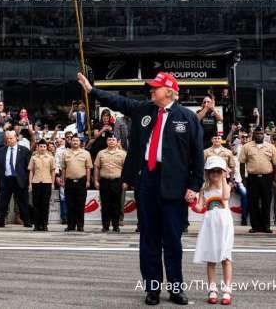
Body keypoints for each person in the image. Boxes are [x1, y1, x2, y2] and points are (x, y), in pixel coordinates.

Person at [78, 71, 204, 306]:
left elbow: (197, 155)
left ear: (169, 91)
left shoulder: (187, 117)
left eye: (155, 87)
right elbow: (119, 102)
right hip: (147, 179)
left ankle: (176, 288)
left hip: (174, 184)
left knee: (173, 240)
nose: (151, 90)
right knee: (148, 238)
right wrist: (92, 90)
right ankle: (152, 289)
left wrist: (195, 185)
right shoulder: (144, 110)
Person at [193, 156, 234, 306]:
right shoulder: (204, 190)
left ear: (223, 172)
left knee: (225, 256)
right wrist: (190, 199)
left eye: (218, 171)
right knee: (211, 258)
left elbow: (225, 196)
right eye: (212, 171)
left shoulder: (226, 186)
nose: (215, 174)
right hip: (210, 224)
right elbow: (199, 207)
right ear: (208, 173)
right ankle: (212, 289)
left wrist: (225, 176)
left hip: (224, 224)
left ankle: (227, 290)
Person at [238, 126, 276, 233]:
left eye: (261, 133)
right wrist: (243, 178)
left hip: (267, 178)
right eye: (257, 133)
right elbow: (242, 163)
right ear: (253, 134)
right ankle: (255, 226)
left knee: (267, 202)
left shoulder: (270, 147)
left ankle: (266, 226)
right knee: (253, 203)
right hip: (252, 178)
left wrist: (275, 180)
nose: (259, 135)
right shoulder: (247, 147)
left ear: (264, 135)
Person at [0, 131, 31, 228]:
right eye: (7, 138)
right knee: (3, 202)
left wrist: (29, 181)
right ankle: (0, 221)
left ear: (16, 138)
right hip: (6, 179)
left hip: (19, 180)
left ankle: (27, 221)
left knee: (23, 202)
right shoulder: (1, 150)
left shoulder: (24, 150)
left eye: (11, 138)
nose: (9, 140)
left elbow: (28, 167)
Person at [94, 132, 126, 232]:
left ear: (117, 142)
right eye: (109, 140)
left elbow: (126, 169)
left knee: (116, 204)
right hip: (104, 182)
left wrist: (125, 182)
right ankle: (105, 225)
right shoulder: (101, 153)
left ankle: (116, 225)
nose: (111, 141)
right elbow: (96, 167)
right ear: (106, 141)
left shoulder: (123, 153)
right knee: (105, 204)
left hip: (117, 182)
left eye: (113, 140)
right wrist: (95, 180)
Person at [61, 135, 92, 232]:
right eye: (73, 140)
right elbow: (63, 168)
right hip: (69, 181)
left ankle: (80, 225)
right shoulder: (65, 153)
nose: (75, 142)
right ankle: (70, 225)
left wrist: (87, 181)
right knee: (70, 204)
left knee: (80, 204)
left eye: (77, 140)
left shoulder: (86, 153)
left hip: (81, 181)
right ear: (70, 142)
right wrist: (63, 180)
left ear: (80, 142)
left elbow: (88, 168)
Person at [28, 139, 55, 231]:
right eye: (41, 146)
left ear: (46, 147)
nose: (43, 148)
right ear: (38, 147)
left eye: (44, 146)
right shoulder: (34, 158)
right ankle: (36, 224)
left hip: (47, 182)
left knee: (45, 204)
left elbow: (53, 171)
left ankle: (44, 224)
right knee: (36, 204)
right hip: (36, 182)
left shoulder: (50, 158)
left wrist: (53, 183)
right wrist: (30, 184)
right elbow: (31, 171)